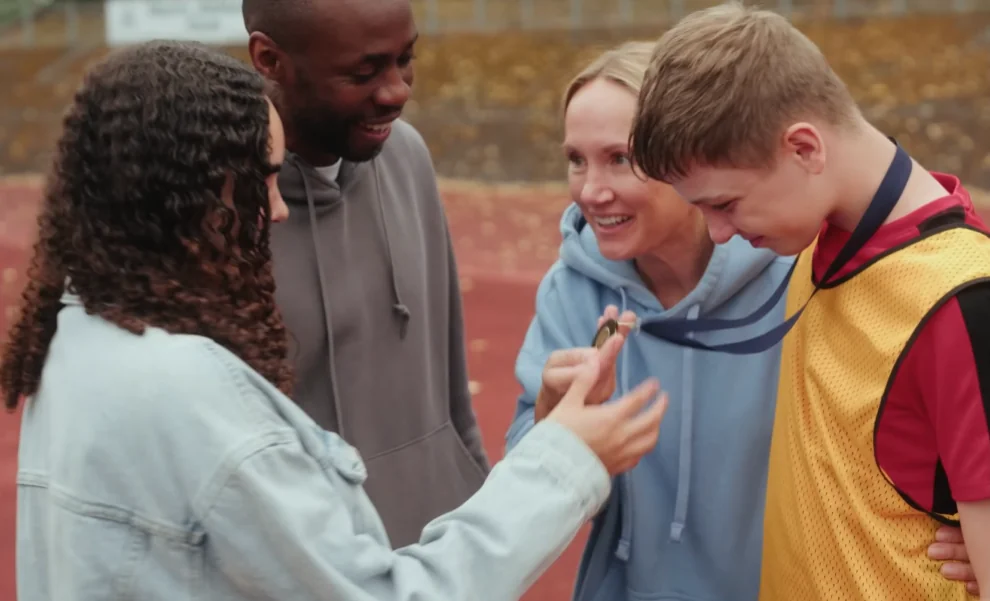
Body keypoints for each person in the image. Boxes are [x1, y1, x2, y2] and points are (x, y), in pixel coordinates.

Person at [3, 40, 669, 601]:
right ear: (193, 195)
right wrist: (567, 460)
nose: (282, 209)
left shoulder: (77, 337)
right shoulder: (195, 400)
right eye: (263, 180)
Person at [507, 40, 981, 601]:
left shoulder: (801, 266)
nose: (591, 190)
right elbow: (527, 493)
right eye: (575, 160)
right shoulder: (573, 288)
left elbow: (895, 444)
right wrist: (554, 429)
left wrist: (961, 534)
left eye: (620, 158)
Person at [630, 3, 990, 600]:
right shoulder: (818, 236)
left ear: (804, 148)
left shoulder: (959, 299)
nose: (717, 233)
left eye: (724, 204)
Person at [240, 0, 487, 547]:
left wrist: (476, 498)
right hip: (305, 565)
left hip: (440, 553)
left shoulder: (408, 155)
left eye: (405, 59)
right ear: (269, 58)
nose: (396, 90)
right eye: (364, 71)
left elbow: (449, 382)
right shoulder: (223, 202)